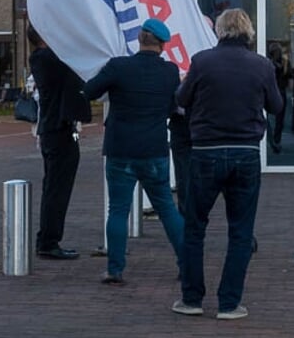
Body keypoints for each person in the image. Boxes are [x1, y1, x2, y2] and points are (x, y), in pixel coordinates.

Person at [172, 8, 283, 321]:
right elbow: (276, 105)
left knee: (195, 227)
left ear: (219, 31)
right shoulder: (261, 65)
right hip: (245, 152)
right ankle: (229, 304)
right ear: (247, 32)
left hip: (206, 151)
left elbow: (181, 99)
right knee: (241, 231)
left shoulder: (202, 61)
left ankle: (192, 299)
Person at [80, 18, 185, 285]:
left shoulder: (118, 66)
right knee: (167, 210)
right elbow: (176, 105)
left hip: (121, 148)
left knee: (117, 210)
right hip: (154, 149)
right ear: (162, 45)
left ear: (139, 38)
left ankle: (115, 269)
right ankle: (187, 263)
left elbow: (89, 91)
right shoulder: (170, 72)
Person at [28, 24, 91, 260]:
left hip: (56, 129)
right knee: (56, 188)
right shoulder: (45, 59)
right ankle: (48, 239)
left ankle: (49, 237)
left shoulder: (45, 59)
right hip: (57, 130)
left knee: (55, 186)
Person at [268, 44, 289, 153]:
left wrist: (285, 65)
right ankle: (273, 141)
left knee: (279, 119)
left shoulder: (282, 63)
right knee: (268, 119)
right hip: (272, 90)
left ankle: (276, 141)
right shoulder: (269, 63)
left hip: (280, 91)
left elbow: (288, 75)